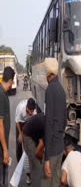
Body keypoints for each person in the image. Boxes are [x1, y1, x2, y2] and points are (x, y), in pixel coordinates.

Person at [42, 58, 67, 187]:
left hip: (51, 150)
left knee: (47, 182)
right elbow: (65, 120)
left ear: (48, 73)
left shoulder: (50, 90)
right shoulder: (62, 90)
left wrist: (46, 158)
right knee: (56, 182)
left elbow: (48, 124)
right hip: (60, 146)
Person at [15, 98, 37, 184]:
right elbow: (17, 121)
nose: (31, 112)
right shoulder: (20, 108)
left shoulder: (33, 112)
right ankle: (20, 165)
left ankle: (29, 172)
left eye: (32, 111)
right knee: (19, 143)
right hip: (20, 122)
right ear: (26, 108)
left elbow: (34, 122)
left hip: (29, 122)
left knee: (30, 144)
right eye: (30, 111)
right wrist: (20, 134)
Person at [0, 67, 15, 187]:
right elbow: (0, 125)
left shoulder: (3, 93)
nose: (13, 84)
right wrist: (5, 151)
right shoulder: (1, 95)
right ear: (10, 80)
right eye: (12, 81)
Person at [22, 113, 45, 187]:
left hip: (34, 134)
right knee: (36, 166)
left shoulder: (48, 122)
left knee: (38, 163)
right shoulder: (48, 128)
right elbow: (37, 152)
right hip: (27, 136)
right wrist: (44, 159)